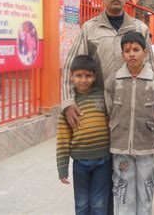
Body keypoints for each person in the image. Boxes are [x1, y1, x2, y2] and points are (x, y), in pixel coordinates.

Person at [61, 0, 154, 130]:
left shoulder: (140, 28)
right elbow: (71, 66)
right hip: (99, 108)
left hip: (133, 106)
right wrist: (68, 102)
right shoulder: (90, 29)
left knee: (128, 152)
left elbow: (150, 67)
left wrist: (151, 105)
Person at [104, 32, 154, 214]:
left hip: (145, 146)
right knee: (123, 193)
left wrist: (153, 132)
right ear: (122, 54)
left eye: (136, 50)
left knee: (145, 191)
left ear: (145, 52)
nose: (132, 54)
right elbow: (109, 110)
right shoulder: (114, 80)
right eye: (127, 50)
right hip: (121, 146)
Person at [56, 55, 112, 215]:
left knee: (99, 204)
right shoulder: (69, 105)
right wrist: (62, 168)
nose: (83, 80)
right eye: (79, 75)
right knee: (82, 204)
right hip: (80, 164)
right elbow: (62, 139)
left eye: (88, 76)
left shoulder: (102, 96)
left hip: (103, 161)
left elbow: (111, 126)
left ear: (94, 76)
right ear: (71, 77)